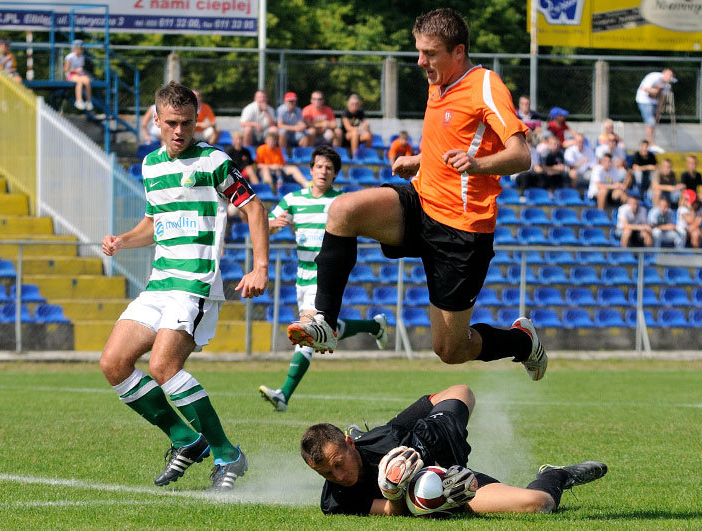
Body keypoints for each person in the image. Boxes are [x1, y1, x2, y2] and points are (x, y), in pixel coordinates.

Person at [286, 8, 546, 383]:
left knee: (450, 350)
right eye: (419, 51)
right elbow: (453, 139)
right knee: (343, 210)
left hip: (462, 230)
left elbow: (521, 155)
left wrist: (475, 165)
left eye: (431, 53)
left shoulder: (485, 85)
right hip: (421, 202)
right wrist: (420, 160)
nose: (420, 60)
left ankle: (523, 343)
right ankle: (324, 320)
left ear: (458, 52)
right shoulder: (437, 81)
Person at [99, 81, 268, 492]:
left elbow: (254, 207)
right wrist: (123, 239)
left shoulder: (214, 162)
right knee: (113, 363)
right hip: (159, 283)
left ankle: (228, 454)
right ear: (156, 120)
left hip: (195, 282)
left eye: (187, 124)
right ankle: (186, 440)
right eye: (171, 123)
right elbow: (155, 223)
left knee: (162, 367)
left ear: (198, 123)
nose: (179, 131)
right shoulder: (151, 165)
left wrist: (259, 266)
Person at [301, 384, 607, 516]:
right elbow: (391, 513)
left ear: (349, 444)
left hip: (437, 439)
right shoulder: (336, 498)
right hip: (451, 488)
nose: (338, 476)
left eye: (338, 463)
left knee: (462, 391)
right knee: (538, 503)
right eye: (326, 472)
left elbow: (455, 393)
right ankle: (556, 475)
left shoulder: (390, 436)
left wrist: (417, 417)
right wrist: (393, 493)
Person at [258, 146, 389, 413]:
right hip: (303, 274)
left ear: (335, 174)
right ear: (311, 169)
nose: (323, 171)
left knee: (308, 330)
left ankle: (283, 394)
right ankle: (374, 326)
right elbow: (266, 226)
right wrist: (273, 225)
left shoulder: (341, 201)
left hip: (326, 274)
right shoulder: (294, 199)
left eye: (329, 168)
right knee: (323, 329)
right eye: (319, 166)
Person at [635, 68, 675, 152]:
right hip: (644, 100)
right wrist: (656, 90)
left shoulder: (667, 85)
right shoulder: (654, 77)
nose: (669, 78)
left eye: (671, 76)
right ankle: (651, 144)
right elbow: (644, 88)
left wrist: (658, 112)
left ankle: (650, 143)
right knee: (650, 122)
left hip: (654, 102)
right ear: (664, 73)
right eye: (669, 75)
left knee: (653, 122)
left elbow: (661, 100)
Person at [64, 39, 93, 111]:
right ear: (75, 49)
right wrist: (75, 70)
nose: (81, 50)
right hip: (71, 75)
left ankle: (88, 101)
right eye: (80, 48)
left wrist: (81, 72)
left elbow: (81, 69)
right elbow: (66, 69)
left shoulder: (82, 57)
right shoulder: (69, 57)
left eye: (82, 49)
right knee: (79, 81)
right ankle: (79, 101)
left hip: (79, 74)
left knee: (87, 80)